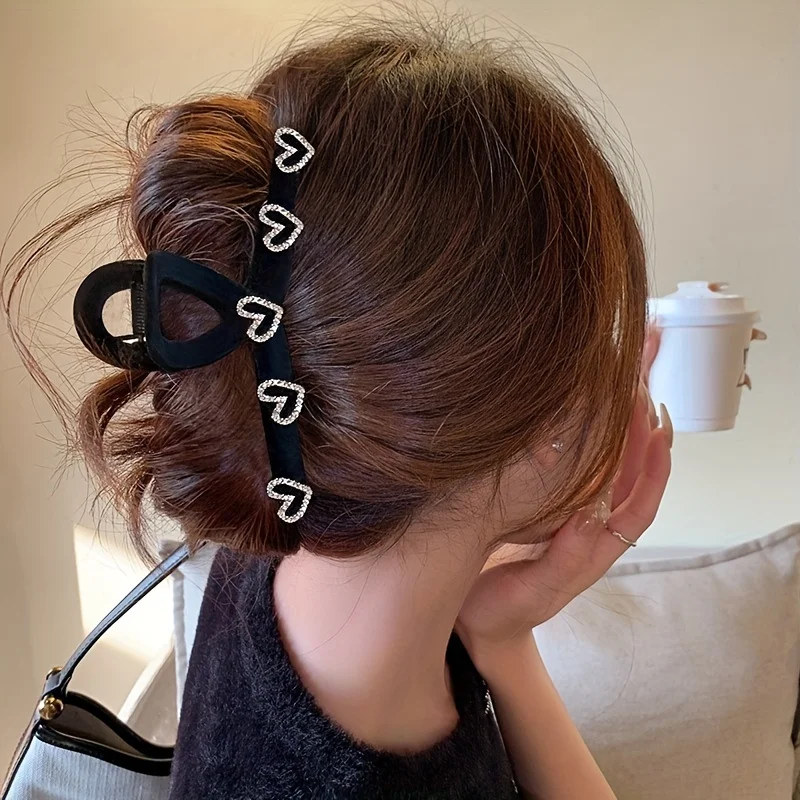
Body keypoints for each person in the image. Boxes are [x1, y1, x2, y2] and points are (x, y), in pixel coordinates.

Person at [4, 16, 672, 800]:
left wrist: (500, 638)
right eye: (599, 348)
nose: (619, 376)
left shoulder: (291, 494)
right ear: (542, 430)